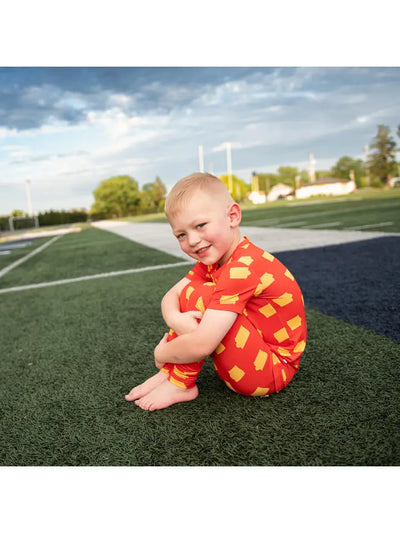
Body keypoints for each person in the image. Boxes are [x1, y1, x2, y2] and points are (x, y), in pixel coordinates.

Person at [125, 172, 306, 411]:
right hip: (253, 357)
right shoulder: (215, 261)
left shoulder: (242, 268)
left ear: (232, 216)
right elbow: (172, 295)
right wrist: (175, 319)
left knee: (202, 295)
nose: (192, 240)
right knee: (194, 291)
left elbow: (202, 345)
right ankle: (173, 374)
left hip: (270, 371)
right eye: (181, 234)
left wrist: (162, 352)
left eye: (200, 225)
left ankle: (181, 383)